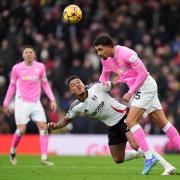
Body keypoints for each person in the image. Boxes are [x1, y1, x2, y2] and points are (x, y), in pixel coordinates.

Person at [46, 76, 177, 175]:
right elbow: (66, 119)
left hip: (124, 116)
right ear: (71, 91)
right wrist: (56, 126)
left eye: (79, 82)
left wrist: (120, 78)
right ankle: (143, 154)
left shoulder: (95, 87)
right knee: (118, 158)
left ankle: (168, 167)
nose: (78, 85)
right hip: (112, 126)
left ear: (83, 83)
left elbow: (114, 84)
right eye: (74, 85)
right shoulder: (76, 106)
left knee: (136, 144)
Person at [93, 35, 180, 174]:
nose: (99, 53)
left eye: (100, 50)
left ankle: (149, 156)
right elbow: (103, 77)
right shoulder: (106, 60)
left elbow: (143, 74)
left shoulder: (127, 54)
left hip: (145, 86)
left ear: (110, 46)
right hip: (139, 90)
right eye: (97, 51)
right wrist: (103, 85)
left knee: (130, 120)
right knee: (163, 123)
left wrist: (130, 92)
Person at [3, 46, 57, 166]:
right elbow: (12, 86)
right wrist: (6, 102)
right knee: (22, 130)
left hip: (36, 102)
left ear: (34, 54)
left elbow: (45, 84)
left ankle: (44, 158)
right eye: (26, 52)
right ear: (23, 55)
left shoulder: (40, 67)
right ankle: (12, 151)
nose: (28, 54)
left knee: (44, 128)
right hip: (22, 102)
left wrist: (52, 99)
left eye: (30, 52)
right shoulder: (17, 68)